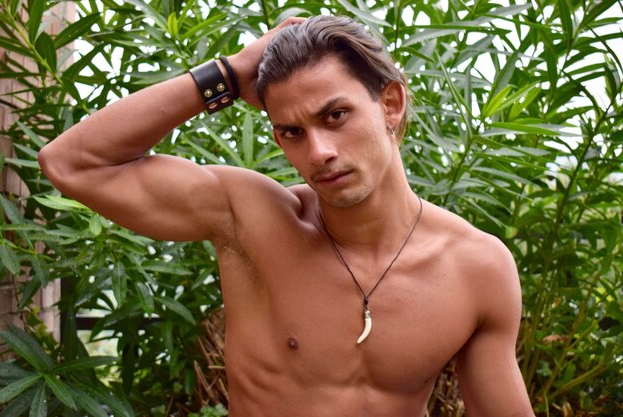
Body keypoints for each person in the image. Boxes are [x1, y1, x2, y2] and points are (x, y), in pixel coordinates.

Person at [39, 15, 535, 417]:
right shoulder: (250, 217)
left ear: (390, 103)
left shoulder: (476, 268)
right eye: (292, 132)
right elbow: (72, 163)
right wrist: (231, 72)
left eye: (334, 116)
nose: (319, 151)